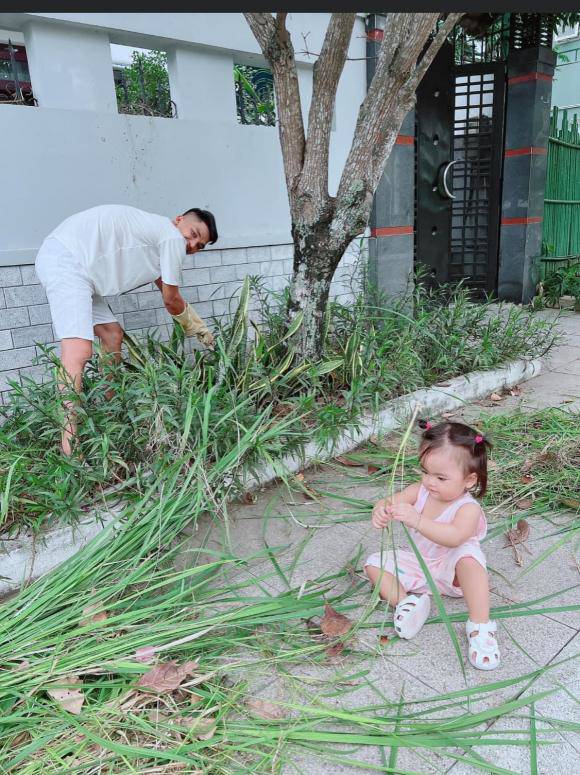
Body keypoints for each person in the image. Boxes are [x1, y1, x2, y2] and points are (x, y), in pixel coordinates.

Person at [35, 204, 218, 455]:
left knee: (112, 335)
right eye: (194, 234)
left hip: (81, 268)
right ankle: (69, 446)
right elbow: (171, 300)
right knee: (78, 351)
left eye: (199, 246)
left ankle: (112, 409)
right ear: (179, 220)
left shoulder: (159, 236)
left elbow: (166, 288)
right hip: (69, 260)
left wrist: (196, 325)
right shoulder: (170, 236)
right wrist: (199, 330)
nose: (192, 246)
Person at [364, 420, 500, 671]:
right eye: (425, 471)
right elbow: (387, 501)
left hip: (452, 572)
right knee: (374, 564)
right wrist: (381, 510)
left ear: (469, 480)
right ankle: (406, 603)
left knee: (469, 559)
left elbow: (454, 537)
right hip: (420, 565)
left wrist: (417, 519)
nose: (429, 481)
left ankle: (480, 626)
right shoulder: (421, 491)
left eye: (440, 477)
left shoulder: (468, 508)